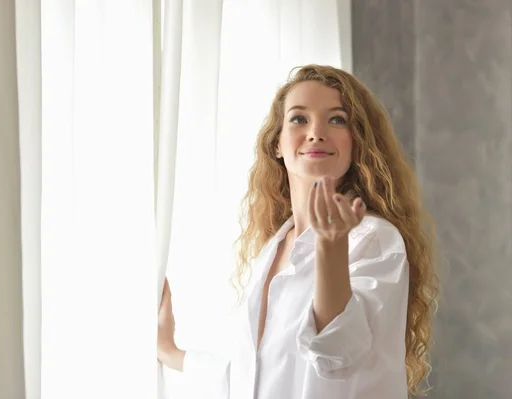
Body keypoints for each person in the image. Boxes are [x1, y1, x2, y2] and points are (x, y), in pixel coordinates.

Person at [157, 64, 439, 399]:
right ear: (276, 143)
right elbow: (255, 374)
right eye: (299, 119)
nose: (316, 132)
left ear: (356, 141)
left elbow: (337, 354)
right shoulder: (273, 249)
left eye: (336, 119)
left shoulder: (373, 239)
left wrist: (331, 249)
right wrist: (170, 352)